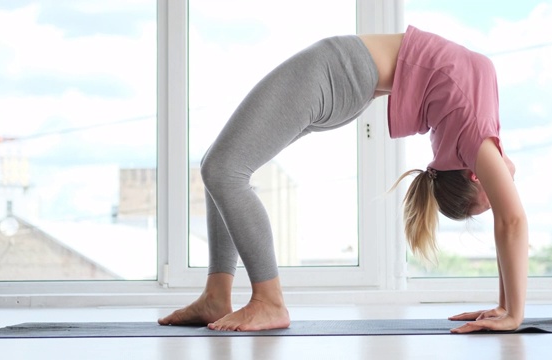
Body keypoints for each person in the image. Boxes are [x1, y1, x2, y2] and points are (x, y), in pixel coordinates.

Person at [158, 24, 528, 334]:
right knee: (219, 165)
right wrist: (504, 306)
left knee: (224, 169)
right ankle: (216, 297)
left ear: (476, 176)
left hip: (339, 71)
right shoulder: (478, 134)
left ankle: (269, 301)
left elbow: (510, 222)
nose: (504, 192)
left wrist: (512, 313)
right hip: (348, 78)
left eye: (493, 194)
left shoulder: (474, 140)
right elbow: (506, 221)